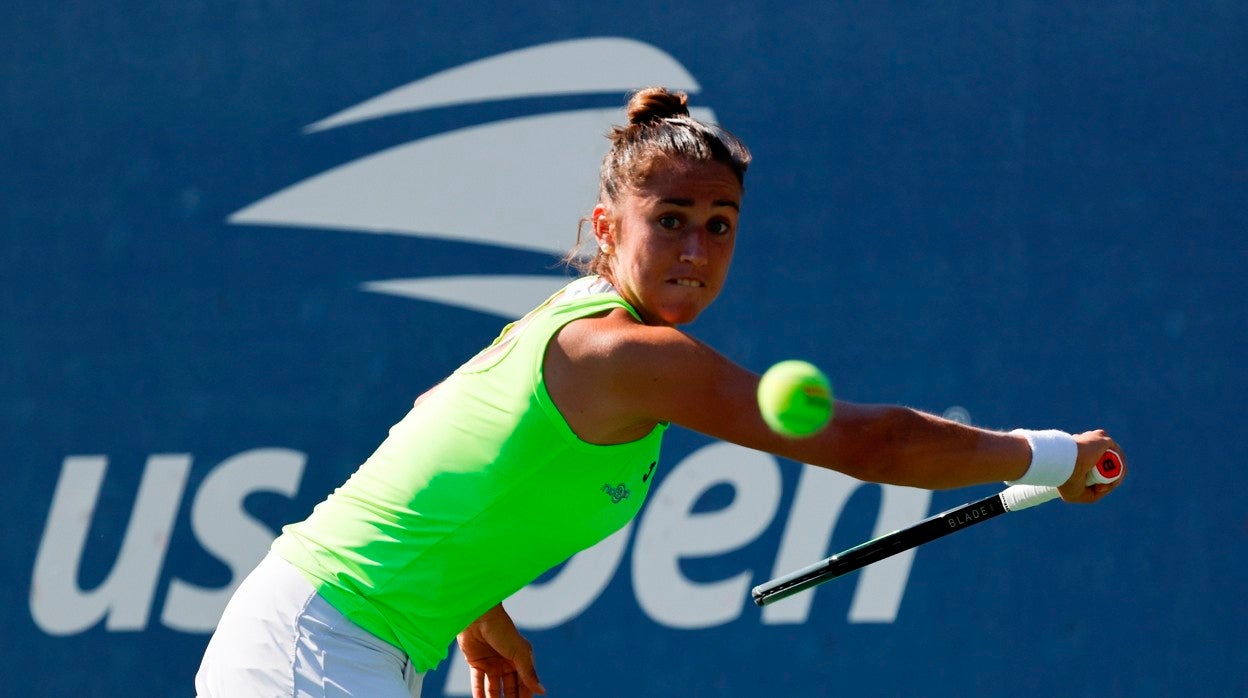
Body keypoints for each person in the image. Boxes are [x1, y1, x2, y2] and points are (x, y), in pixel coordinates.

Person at [195, 87, 1126, 698]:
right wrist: (1052, 456)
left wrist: (480, 613)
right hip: (310, 655)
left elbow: (438, 444)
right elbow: (870, 446)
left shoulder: (579, 322)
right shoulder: (630, 355)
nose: (695, 248)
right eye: (669, 220)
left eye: (718, 225)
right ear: (609, 226)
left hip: (340, 644)